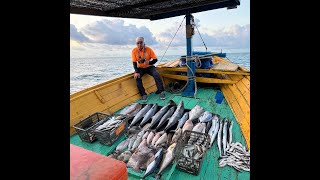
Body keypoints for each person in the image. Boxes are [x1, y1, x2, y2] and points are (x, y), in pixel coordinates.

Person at [132, 37, 165, 102]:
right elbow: (134, 62)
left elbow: (155, 59)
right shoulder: (134, 50)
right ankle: (143, 94)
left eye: (141, 42)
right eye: (137, 43)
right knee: (137, 77)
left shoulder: (149, 49)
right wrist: (136, 71)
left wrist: (149, 62)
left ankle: (161, 91)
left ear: (144, 42)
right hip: (140, 68)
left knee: (156, 74)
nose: (139, 44)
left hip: (149, 66)